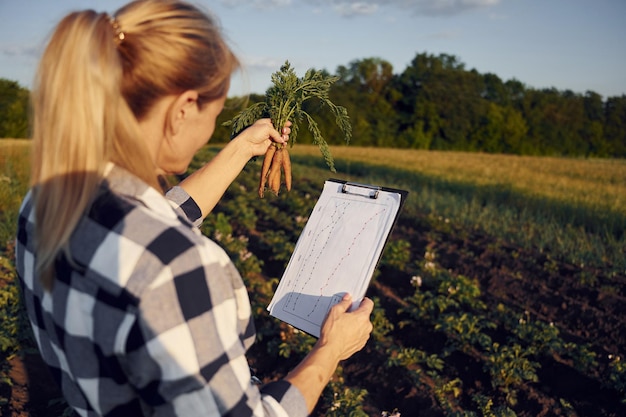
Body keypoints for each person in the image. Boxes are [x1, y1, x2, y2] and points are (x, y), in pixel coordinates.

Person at [14, 1, 374, 416]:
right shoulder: (178, 267)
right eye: (215, 111)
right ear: (183, 108)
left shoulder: (46, 203)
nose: (211, 129)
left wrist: (241, 149)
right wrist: (330, 349)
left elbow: (161, 218)